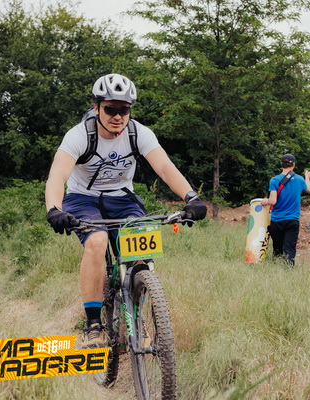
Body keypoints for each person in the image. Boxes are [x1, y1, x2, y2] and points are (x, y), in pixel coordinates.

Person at [45, 73, 207, 348]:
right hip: (83, 199)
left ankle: (137, 317)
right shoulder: (79, 135)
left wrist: (192, 197)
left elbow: (165, 168)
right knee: (97, 241)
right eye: (110, 109)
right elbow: (57, 175)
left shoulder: (138, 133)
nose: (118, 116)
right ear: (96, 107)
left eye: (124, 110)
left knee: (140, 249)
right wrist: (54, 209)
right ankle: (93, 325)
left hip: (123, 199)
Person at [261, 154, 310, 266]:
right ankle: (289, 269)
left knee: (277, 250)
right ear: (293, 165)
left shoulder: (274, 180)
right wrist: (307, 177)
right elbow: (308, 189)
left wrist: (266, 201)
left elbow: (273, 201)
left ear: (281, 164)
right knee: (289, 249)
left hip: (277, 220)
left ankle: (276, 270)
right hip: (292, 220)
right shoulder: (299, 179)